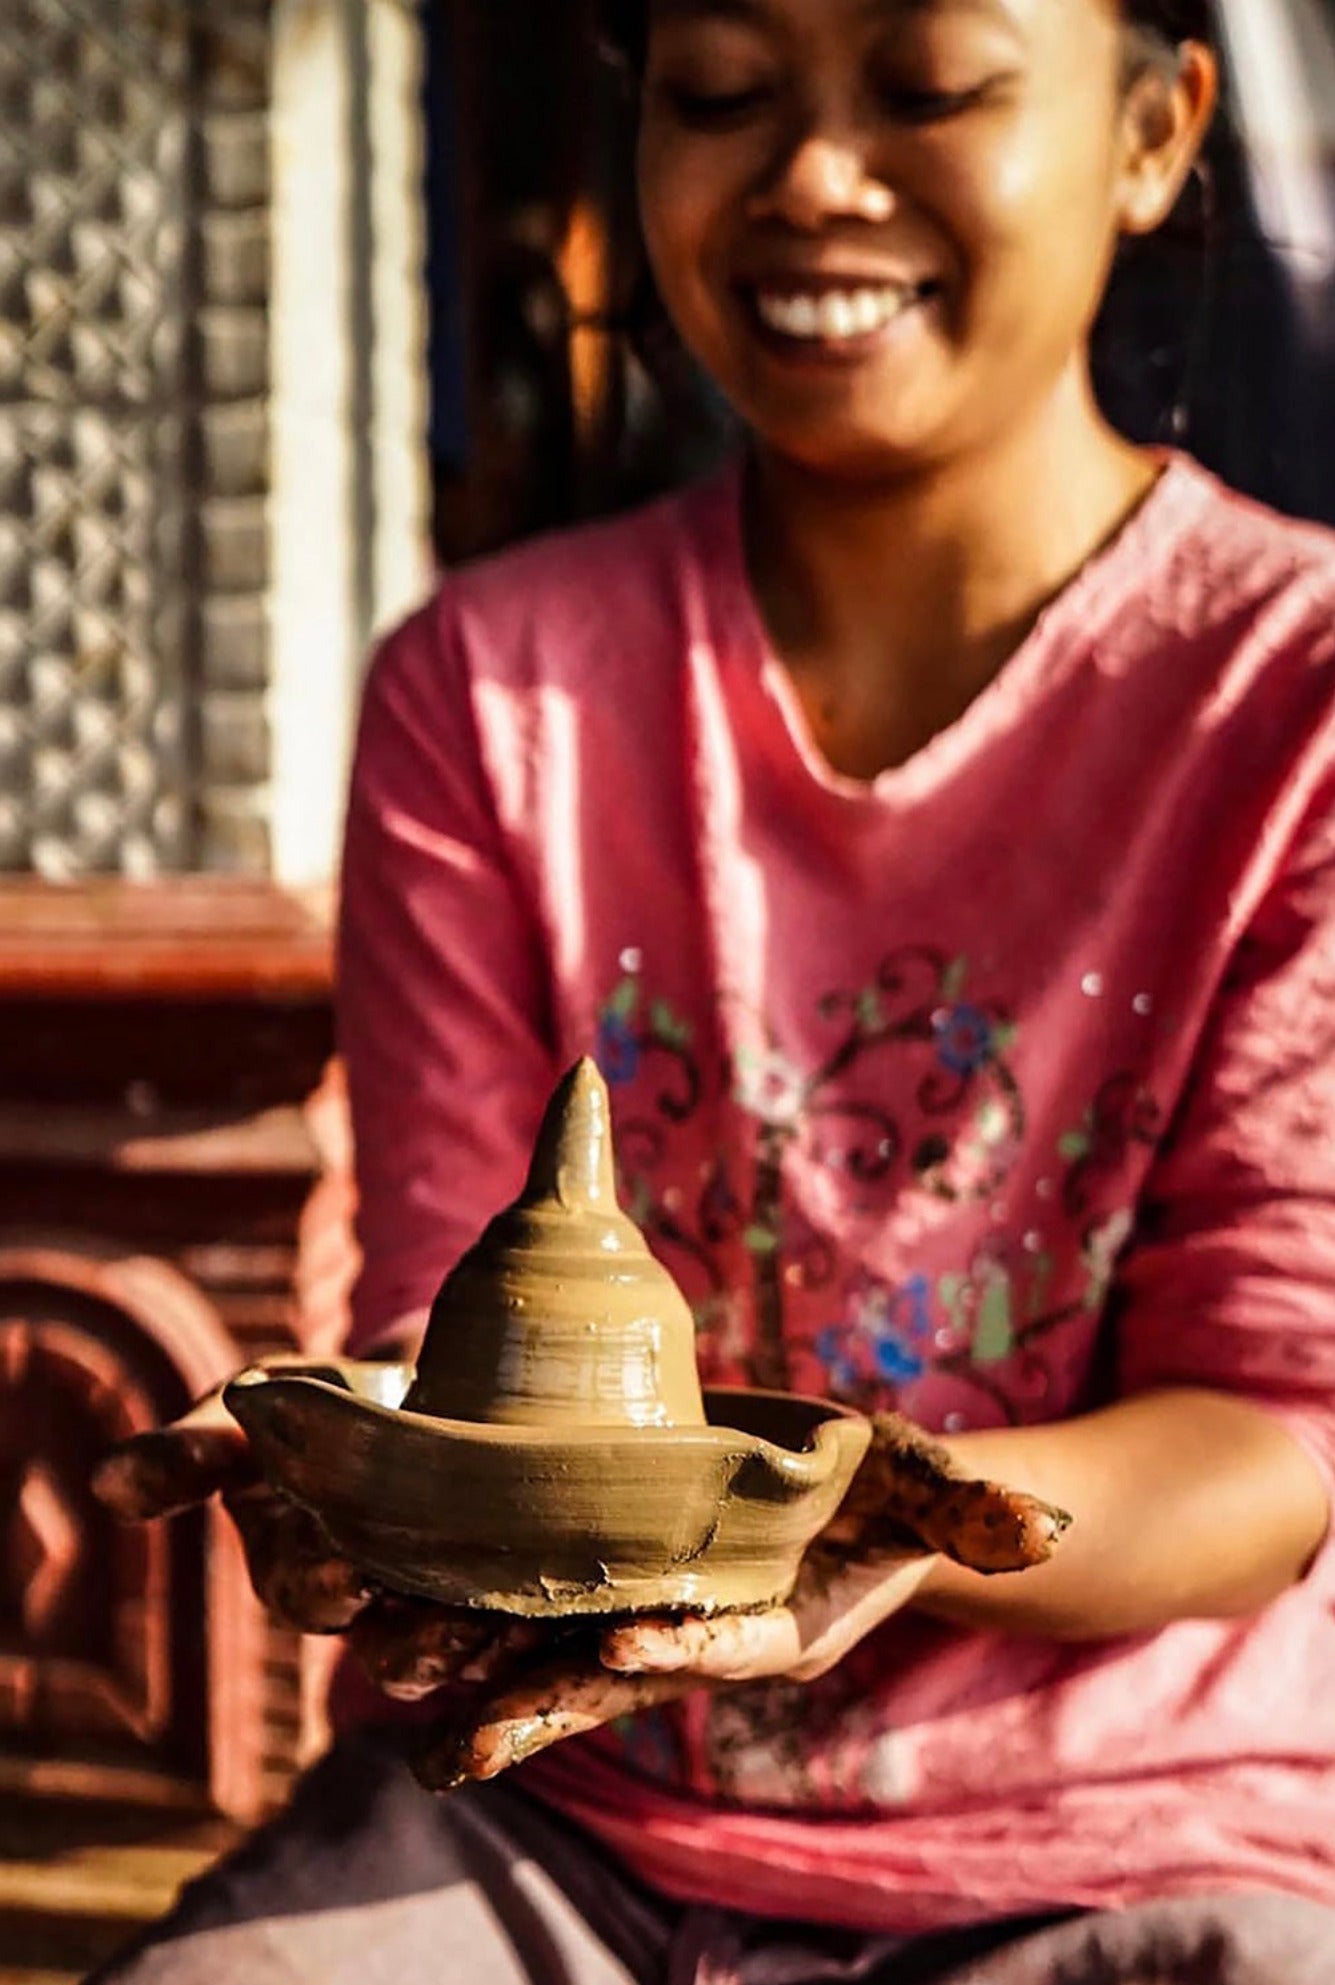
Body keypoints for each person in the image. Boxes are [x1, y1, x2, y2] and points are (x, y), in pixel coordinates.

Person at [92, 0, 1335, 1978]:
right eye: (721, 94)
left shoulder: (1288, 698)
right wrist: (369, 1466)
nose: (811, 179)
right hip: (548, 1811)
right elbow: (442, 1315)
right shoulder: (489, 700)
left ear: (1152, 130)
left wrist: (872, 1513)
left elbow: (1270, 1441)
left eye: (927, 88)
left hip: (1121, 1842)